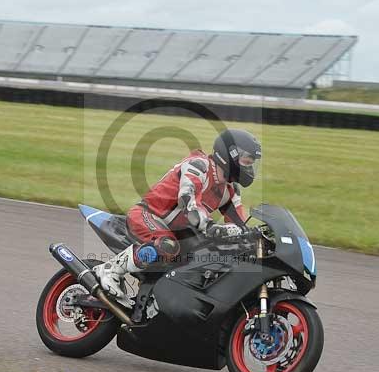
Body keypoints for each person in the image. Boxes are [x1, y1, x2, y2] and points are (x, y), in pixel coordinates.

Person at [93, 129, 262, 306]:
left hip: (179, 231)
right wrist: (212, 227)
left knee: (206, 256)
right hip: (149, 215)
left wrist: (255, 238)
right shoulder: (199, 166)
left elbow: (240, 225)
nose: (249, 168)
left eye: (251, 164)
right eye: (246, 161)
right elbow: (187, 203)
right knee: (168, 246)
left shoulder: (230, 189)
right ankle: (110, 269)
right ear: (231, 154)